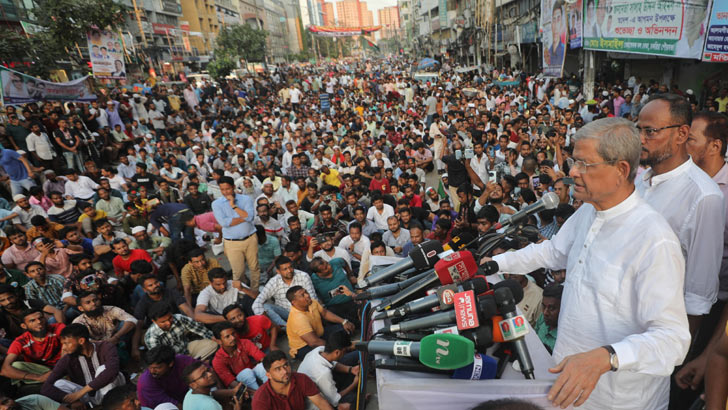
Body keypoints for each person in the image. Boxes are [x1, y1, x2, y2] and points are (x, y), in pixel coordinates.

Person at [487, 118, 690, 409]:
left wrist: (607, 357)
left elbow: (673, 340)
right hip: (567, 385)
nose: (572, 172)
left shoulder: (655, 240)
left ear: (620, 169)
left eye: (585, 163)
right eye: (573, 161)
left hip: (618, 399)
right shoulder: (589, 213)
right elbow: (552, 253)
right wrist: (493, 264)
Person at [636, 94, 725, 337]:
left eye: (651, 131)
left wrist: (678, 354)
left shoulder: (704, 197)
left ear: (682, 134)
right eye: (639, 130)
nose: (641, 139)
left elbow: (699, 291)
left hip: (658, 334)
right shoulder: (639, 180)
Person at [41, 323, 126, 408]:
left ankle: (109, 406)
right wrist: (71, 400)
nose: (63, 348)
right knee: (59, 383)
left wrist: (80, 393)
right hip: (87, 396)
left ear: (81, 341)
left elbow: (112, 371)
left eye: (67, 343)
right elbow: (46, 387)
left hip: (112, 393)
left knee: (103, 370)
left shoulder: (106, 347)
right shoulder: (67, 359)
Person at [212, 176, 260, 287]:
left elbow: (250, 217)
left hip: (250, 238)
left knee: (254, 268)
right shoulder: (216, 204)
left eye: (227, 189)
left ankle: (255, 291)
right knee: (238, 272)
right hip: (232, 242)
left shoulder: (245, 199)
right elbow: (224, 223)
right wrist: (243, 217)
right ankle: (241, 293)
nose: (225, 192)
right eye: (222, 189)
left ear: (233, 187)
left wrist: (233, 206)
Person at [285, 285, 355, 360]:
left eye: (306, 292)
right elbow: (313, 342)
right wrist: (336, 346)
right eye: (302, 295)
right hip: (304, 347)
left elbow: (324, 313)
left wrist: (343, 321)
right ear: (294, 302)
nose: (307, 295)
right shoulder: (298, 318)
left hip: (319, 334)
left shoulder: (312, 302)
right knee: (334, 355)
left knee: (348, 328)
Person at [251, 350, 334, 410]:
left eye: (286, 365)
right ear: (269, 375)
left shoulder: (301, 379)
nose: (284, 371)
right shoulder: (260, 399)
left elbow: (321, 403)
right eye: (278, 369)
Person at [0, 308, 64, 384]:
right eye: (32, 321)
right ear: (24, 326)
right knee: (16, 365)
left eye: (41, 318)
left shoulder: (58, 327)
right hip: (43, 371)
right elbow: (4, 370)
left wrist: (59, 369)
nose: (39, 322)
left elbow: (68, 349)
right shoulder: (21, 341)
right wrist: (39, 377)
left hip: (64, 364)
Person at [252, 256, 318, 328]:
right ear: (278, 271)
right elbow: (257, 303)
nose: (289, 270)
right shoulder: (273, 282)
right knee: (265, 306)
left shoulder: (303, 276)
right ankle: (285, 327)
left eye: (290, 267)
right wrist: (267, 322)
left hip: (304, 311)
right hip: (286, 313)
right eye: (285, 269)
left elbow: (313, 298)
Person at [144, 302, 218, 360]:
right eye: (163, 322)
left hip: (187, 348)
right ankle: (192, 363)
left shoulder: (179, 318)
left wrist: (217, 340)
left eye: (170, 318)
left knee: (214, 344)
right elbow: (162, 359)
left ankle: (193, 363)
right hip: (173, 360)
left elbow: (201, 330)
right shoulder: (151, 337)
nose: (168, 323)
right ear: (154, 321)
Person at [211, 321, 267, 390]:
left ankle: (272, 388)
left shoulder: (244, 342)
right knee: (246, 373)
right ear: (219, 341)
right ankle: (257, 395)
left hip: (252, 371)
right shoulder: (217, 360)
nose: (233, 338)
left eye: (233, 333)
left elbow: (262, 358)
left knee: (262, 367)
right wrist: (251, 392)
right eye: (227, 336)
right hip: (240, 382)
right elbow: (230, 382)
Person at [72, 290, 137, 342]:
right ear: (81, 308)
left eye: (95, 300)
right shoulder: (78, 322)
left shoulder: (110, 309)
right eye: (88, 302)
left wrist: (115, 337)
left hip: (116, 340)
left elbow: (132, 320)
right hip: (97, 348)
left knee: (127, 323)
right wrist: (102, 344)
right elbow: (79, 339)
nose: (93, 303)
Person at [534, 283, 563, 354]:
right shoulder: (542, 318)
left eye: (552, 308)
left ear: (563, 308)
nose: (545, 312)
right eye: (544, 306)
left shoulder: (565, 337)